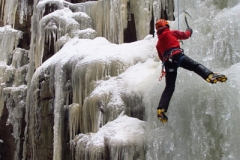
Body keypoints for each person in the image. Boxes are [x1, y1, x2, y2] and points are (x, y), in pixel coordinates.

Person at [155, 19, 227, 123]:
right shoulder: (171, 33)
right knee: (195, 66)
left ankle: (161, 109)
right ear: (166, 26)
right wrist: (189, 30)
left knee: (169, 87)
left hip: (168, 63)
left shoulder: (158, 43)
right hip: (177, 56)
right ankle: (210, 76)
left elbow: (161, 58)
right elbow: (185, 35)